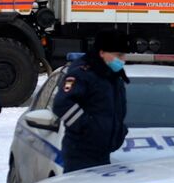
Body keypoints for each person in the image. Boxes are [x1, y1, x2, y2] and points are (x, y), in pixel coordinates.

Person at [51, 30, 130, 174]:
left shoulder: (112, 76)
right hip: (80, 153)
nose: (122, 60)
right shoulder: (83, 73)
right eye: (118, 55)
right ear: (102, 53)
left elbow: (115, 110)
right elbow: (62, 104)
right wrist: (87, 128)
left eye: (123, 55)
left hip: (102, 152)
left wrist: (119, 131)